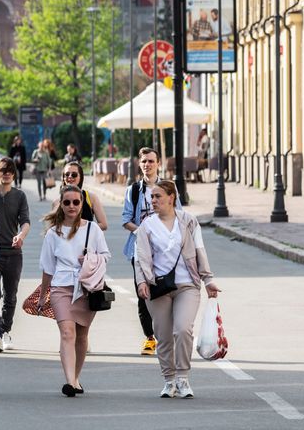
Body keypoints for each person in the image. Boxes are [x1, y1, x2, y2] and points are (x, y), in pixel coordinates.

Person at [135, 180, 220, 399]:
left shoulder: (189, 221)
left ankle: (183, 377)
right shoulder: (146, 225)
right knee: (163, 336)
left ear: (171, 197)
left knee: (183, 329)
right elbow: (141, 257)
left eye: (158, 196)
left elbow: (200, 250)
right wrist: (141, 282)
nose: (153, 200)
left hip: (187, 284)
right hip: (158, 287)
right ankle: (169, 380)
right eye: (151, 197)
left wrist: (208, 280)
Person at [38, 184, 110, 397]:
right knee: (67, 332)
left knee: (81, 334)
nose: (71, 206)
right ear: (61, 204)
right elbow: (47, 267)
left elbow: (106, 255)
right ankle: (69, 381)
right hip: (61, 286)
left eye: (76, 202)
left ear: (82, 204)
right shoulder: (53, 233)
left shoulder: (92, 229)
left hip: (87, 288)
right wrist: (43, 295)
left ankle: (76, 377)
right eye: (67, 202)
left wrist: (90, 259)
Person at [122, 146, 181, 356]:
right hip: (140, 250)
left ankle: (169, 334)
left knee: (168, 291)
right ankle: (150, 338)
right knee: (143, 294)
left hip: (165, 251)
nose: (147, 165)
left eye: (151, 161)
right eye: (144, 161)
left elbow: (179, 215)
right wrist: (144, 233)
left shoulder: (169, 187)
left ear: (158, 164)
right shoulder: (134, 190)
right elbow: (126, 219)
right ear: (139, 164)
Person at [0, 158, 30, 353]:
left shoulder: (19, 196)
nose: (7, 173)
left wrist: (21, 235)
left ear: (14, 174)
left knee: (10, 296)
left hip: (13, 253)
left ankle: (5, 331)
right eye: (3, 170)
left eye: (10, 170)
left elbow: (25, 221)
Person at [58, 161, 108, 230]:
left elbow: (103, 225)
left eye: (74, 174)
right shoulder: (58, 201)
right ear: (63, 178)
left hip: (87, 240)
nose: (70, 177)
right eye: (67, 174)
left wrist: (82, 229)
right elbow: (54, 226)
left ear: (80, 177)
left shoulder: (91, 197)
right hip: (66, 239)